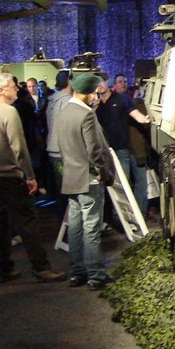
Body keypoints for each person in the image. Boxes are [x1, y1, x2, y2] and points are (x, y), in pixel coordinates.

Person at [0, 72, 67, 283]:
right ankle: (41, 268)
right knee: (28, 222)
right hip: (10, 176)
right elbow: (19, 148)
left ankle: (4, 267)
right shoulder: (9, 112)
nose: (17, 88)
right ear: (0, 90)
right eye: (12, 86)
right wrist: (30, 176)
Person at [56, 72, 116, 290]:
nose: (95, 97)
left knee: (74, 227)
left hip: (71, 178)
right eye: (93, 93)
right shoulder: (87, 115)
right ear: (86, 93)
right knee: (92, 229)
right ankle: (96, 275)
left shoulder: (63, 113)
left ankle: (77, 272)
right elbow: (95, 151)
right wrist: (104, 174)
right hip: (89, 180)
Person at [95, 73, 151, 217]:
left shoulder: (121, 99)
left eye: (101, 82)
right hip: (107, 151)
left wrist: (145, 119)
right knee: (116, 187)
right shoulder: (97, 106)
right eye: (96, 83)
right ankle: (120, 217)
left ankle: (136, 216)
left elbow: (134, 113)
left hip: (123, 150)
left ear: (107, 82)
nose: (99, 85)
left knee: (127, 185)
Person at [45, 70, 73, 224]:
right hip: (63, 151)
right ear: (69, 81)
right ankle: (67, 226)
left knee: (60, 189)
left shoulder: (52, 100)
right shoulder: (67, 101)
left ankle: (63, 223)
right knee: (66, 191)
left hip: (53, 150)